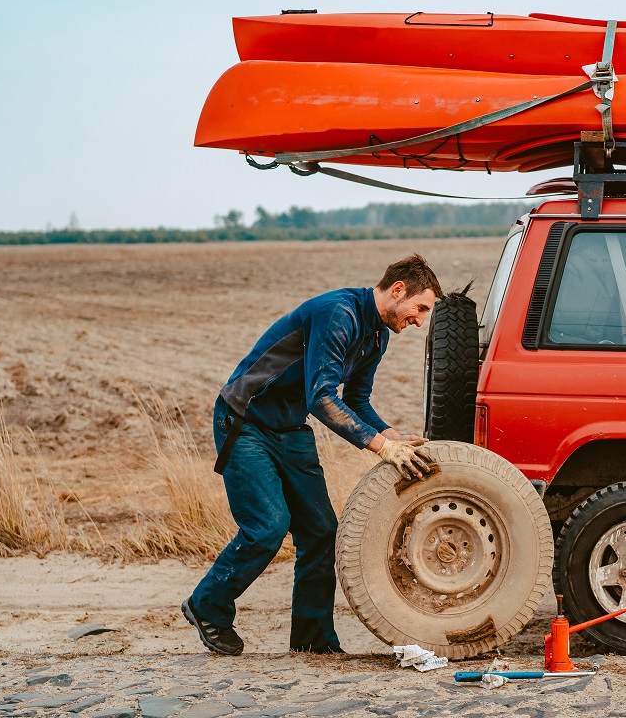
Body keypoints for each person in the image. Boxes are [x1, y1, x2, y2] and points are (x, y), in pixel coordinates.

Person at [182, 254, 442, 655]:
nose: (420, 320)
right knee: (267, 527)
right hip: (246, 421)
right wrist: (380, 447)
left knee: (321, 531)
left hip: (289, 427)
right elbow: (320, 396)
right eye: (420, 308)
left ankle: (312, 641)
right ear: (398, 290)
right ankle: (207, 605)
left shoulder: (378, 335)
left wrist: (393, 436)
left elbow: (356, 399)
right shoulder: (338, 313)